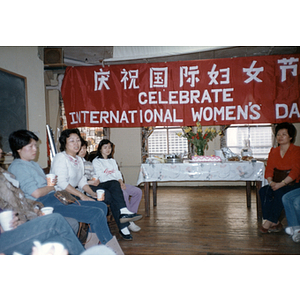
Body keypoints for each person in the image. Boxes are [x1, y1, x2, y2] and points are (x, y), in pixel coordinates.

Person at [8, 129, 124, 254]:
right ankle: (113, 252)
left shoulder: (33, 164)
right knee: (95, 213)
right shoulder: (18, 166)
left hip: (56, 198)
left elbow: (80, 181)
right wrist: (52, 187)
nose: (35, 149)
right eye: (30, 146)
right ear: (18, 148)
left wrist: (91, 194)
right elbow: (36, 193)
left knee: (101, 206)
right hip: (43, 203)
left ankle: (91, 246)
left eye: (35, 145)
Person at [52, 129, 142, 241]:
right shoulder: (61, 157)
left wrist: (92, 193)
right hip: (63, 197)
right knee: (104, 204)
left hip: (76, 194)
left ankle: (98, 236)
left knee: (109, 195)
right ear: (64, 143)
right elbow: (61, 182)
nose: (76, 143)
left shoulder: (79, 160)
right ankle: (107, 235)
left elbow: (81, 180)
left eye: (78, 140)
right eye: (72, 141)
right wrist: (82, 195)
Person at [92, 139, 142, 232]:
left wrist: (121, 182)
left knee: (137, 192)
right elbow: (101, 177)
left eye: (110, 147)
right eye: (105, 147)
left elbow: (118, 173)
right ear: (100, 149)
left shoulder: (112, 161)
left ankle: (130, 215)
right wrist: (117, 184)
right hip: (108, 185)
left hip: (117, 183)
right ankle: (129, 222)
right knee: (125, 194)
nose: (108, 149)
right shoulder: (96, 161)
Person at [259, 122, 300, 233]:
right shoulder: (274, 151)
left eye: (284, 134)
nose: (280, 137)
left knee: (279, 193)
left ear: (291, 137)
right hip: (276, 182)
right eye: (278, 134)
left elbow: (296, 171)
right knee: (263, 191)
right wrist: (271, 182)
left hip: (293, 184)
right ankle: (275, 222)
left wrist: (281, 184)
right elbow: (269, 169)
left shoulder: (297, 151)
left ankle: (268, 222)